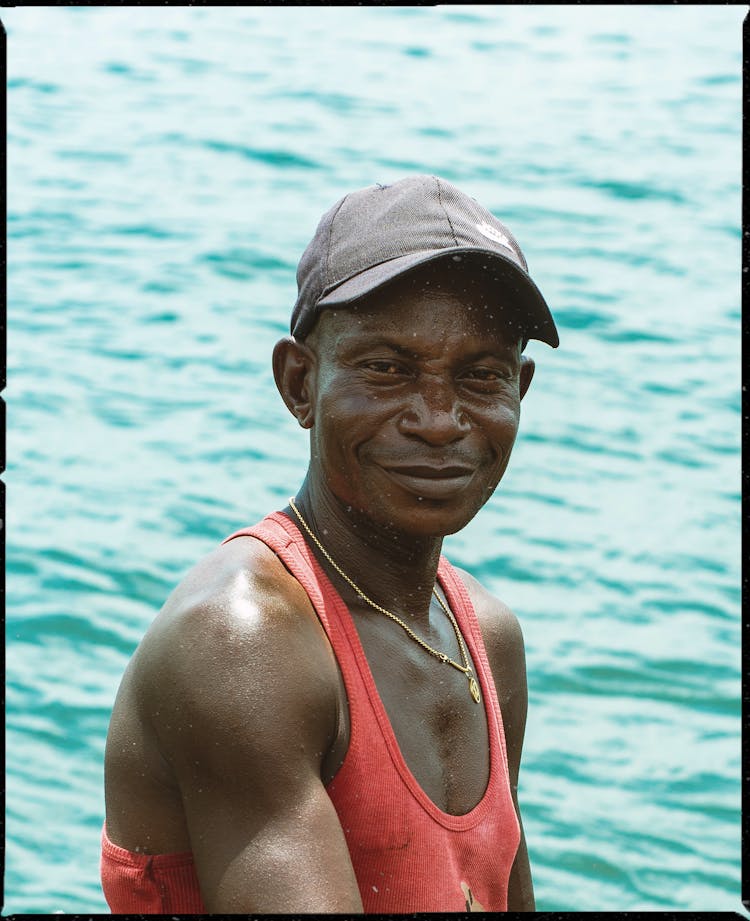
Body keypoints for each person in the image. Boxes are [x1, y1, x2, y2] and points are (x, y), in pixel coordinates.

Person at [101, 174, 559, 913]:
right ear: (299, 384)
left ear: (520, 392)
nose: (440, 419)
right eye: (387, 368)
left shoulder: (488, 638)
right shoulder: (244, 643)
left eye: (481, 376)